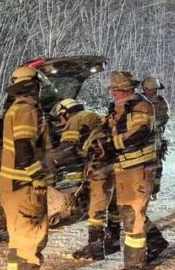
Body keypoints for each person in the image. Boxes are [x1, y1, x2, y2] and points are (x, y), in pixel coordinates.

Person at [92, 71, 168, 270]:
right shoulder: (117, 107)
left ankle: (134, 264)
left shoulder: (141, 106)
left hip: (140, 168)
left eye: (118, 90)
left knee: (131, 214)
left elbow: (139, 133)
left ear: (128, 89)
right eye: (113, 90)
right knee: (131, 210)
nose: (115, 93)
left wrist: (112, 143)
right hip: (123, 167)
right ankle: (156, 241)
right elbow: (108, 129)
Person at [0, 65, 54, 270]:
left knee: (18, 239)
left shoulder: (14, 109)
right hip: (24, 186)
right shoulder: (27, 111)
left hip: (10, 185)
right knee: (32, 239)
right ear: (33, 86)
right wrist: (38, 177)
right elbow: (24, 149)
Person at [49, 98, 121, 260]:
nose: (61, 122)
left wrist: (48, 161)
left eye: (61, 117)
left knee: (97, 207)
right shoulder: (93, 116)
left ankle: (95, 249)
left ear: (66, 112)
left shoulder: (75, 120)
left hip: (100, 166)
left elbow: (68, 147)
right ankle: (113, 240)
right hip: (115, 163)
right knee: (113, 203)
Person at [141, 76, 169, 200]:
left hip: (155, 135)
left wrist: (152, 124)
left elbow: (165, 117)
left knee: (155, 162)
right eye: (147, 89)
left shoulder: (161, 101)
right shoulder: (139, 99)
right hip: (140, 135)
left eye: (153, 89)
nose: (150, 91)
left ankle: (154, 190)